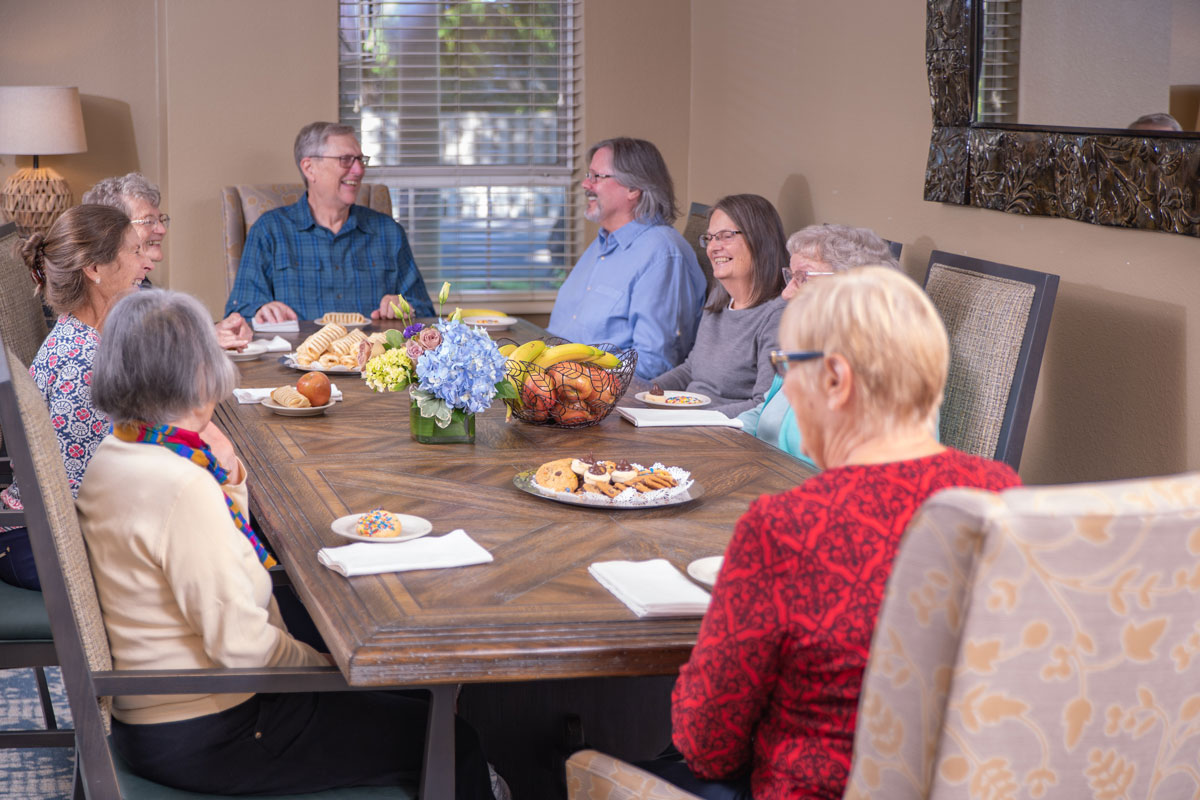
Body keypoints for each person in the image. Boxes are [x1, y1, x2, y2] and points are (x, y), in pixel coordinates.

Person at [75, 289, 494, 798]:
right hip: (216, 729)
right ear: (200, 376)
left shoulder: (118, 453)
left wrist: (225, 474)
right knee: (454, 737)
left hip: (156, 714)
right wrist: (330, 668)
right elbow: (244, 649)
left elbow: (210, 557)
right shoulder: (180, 486)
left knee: (402, 692)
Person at [649, 267, 1021, 799]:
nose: (784, 390)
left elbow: (707, 743)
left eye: (786, 368)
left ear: (836, 380)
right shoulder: (1002, 494)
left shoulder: (787, 525)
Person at [0, 204, 153, 591]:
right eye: (135, 251)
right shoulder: (81, 362)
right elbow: (75, 493)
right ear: (95, 269)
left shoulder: (89, 337)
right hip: (42, 543)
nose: (147, 262)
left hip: (59, 527)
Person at [224, 121, 434, 324]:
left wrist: (407, 307)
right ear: (309, 168)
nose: (359, 170)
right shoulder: (269, 231)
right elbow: (238, 312)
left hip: (371, 358)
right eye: (345, 160)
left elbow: (427, 312)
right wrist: (261, 310)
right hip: (294, 359)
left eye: (360, 160)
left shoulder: (389, 232)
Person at [738, 224, 901, 461]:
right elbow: (764, 411)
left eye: (802, 277)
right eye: (791, 277)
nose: (786, 293)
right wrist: (722, 434)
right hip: (765, 472)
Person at [547, 137, 706, 379]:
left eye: (596, 177)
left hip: (600, 401)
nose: (585, 184)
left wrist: (576, 378)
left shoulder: (662, 254)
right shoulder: (600, 245)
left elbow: (655, 363)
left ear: (633, 188)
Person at [651, 194, 787, 416]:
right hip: (685, 421)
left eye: (725, 236)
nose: (713, 247)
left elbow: (764, 405)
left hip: (722, 436)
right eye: (710, 237)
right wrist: (643, 393)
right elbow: (691, 369)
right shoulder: (719, 296)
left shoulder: (777, 315)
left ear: (760, 239)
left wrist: (692, 419)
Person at [83, 172, 253, 350]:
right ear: (111, 228)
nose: (162, 229)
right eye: (148, 221)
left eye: (160, 220)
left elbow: (158, 332)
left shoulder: (140, 283)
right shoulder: (104, 294)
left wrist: (212, 331)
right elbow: (136, 347)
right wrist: (204, 339)